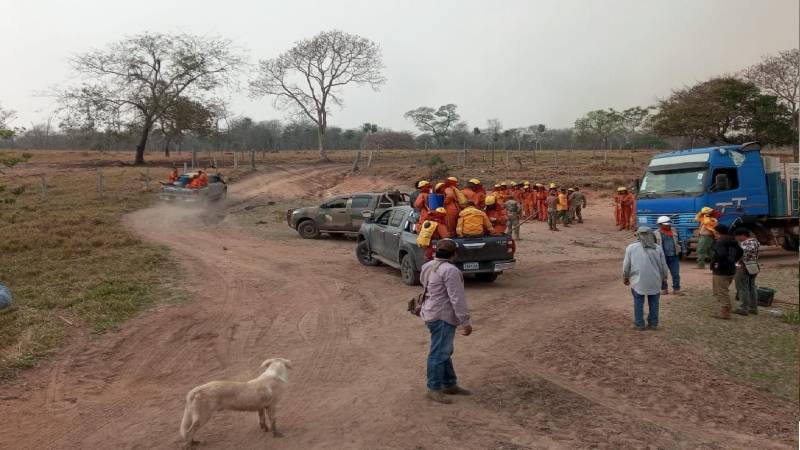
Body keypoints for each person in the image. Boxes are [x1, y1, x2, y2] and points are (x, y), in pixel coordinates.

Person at [419, 239, 472, 404]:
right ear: (454, 254)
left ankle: (449, 384)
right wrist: (465, 321)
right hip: (443, 316)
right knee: (439, 353)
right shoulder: (450, 270)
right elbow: (457, 298)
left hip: (430, 313)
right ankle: (434, 388)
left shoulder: (428, 266)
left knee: (444, 351)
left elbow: (424, 284)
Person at [623, 226, 669, 331]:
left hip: (638, 281)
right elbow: (663, 266)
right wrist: (664, 278)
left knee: (638, 301)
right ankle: (653, 324)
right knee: (654, 302)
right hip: (655, 280)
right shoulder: (658, 248)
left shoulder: (631, 247)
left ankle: (639, 324)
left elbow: (626, 265)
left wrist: (625, 276)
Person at [710, 225, 743, 320]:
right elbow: (740, 251)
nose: (714, 234)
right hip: (731, 269)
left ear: (719, 233)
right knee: (723, 290)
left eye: (715, 232)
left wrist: (718, 263)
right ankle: (725, 310)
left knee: (721, 291)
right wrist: (733, 261)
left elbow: (721, 254)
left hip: (721, 271)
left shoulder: (720, 242)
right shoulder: (733, 240)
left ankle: (725, 312)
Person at [733, 228, 760, 316]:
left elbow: (741, 256)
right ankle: (753, 307)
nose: (737, 238)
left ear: (743, 235)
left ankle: (744, 308)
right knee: (752, 287)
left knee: (742, 288)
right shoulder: (756, 242)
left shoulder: (745, 243)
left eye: (737, 236)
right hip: (754, 266)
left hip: (743, 266)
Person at [654, 216, 682, 295]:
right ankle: (664, 289)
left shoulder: (675, 232)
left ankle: (676, 289)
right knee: (662, 273)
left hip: (674, 256)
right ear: (660, 225)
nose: (668, 226)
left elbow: (679, 242)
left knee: (675, 273)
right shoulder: (656, 234)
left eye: (669, 224)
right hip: (662, 257)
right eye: (665, 225)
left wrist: (681, 252)